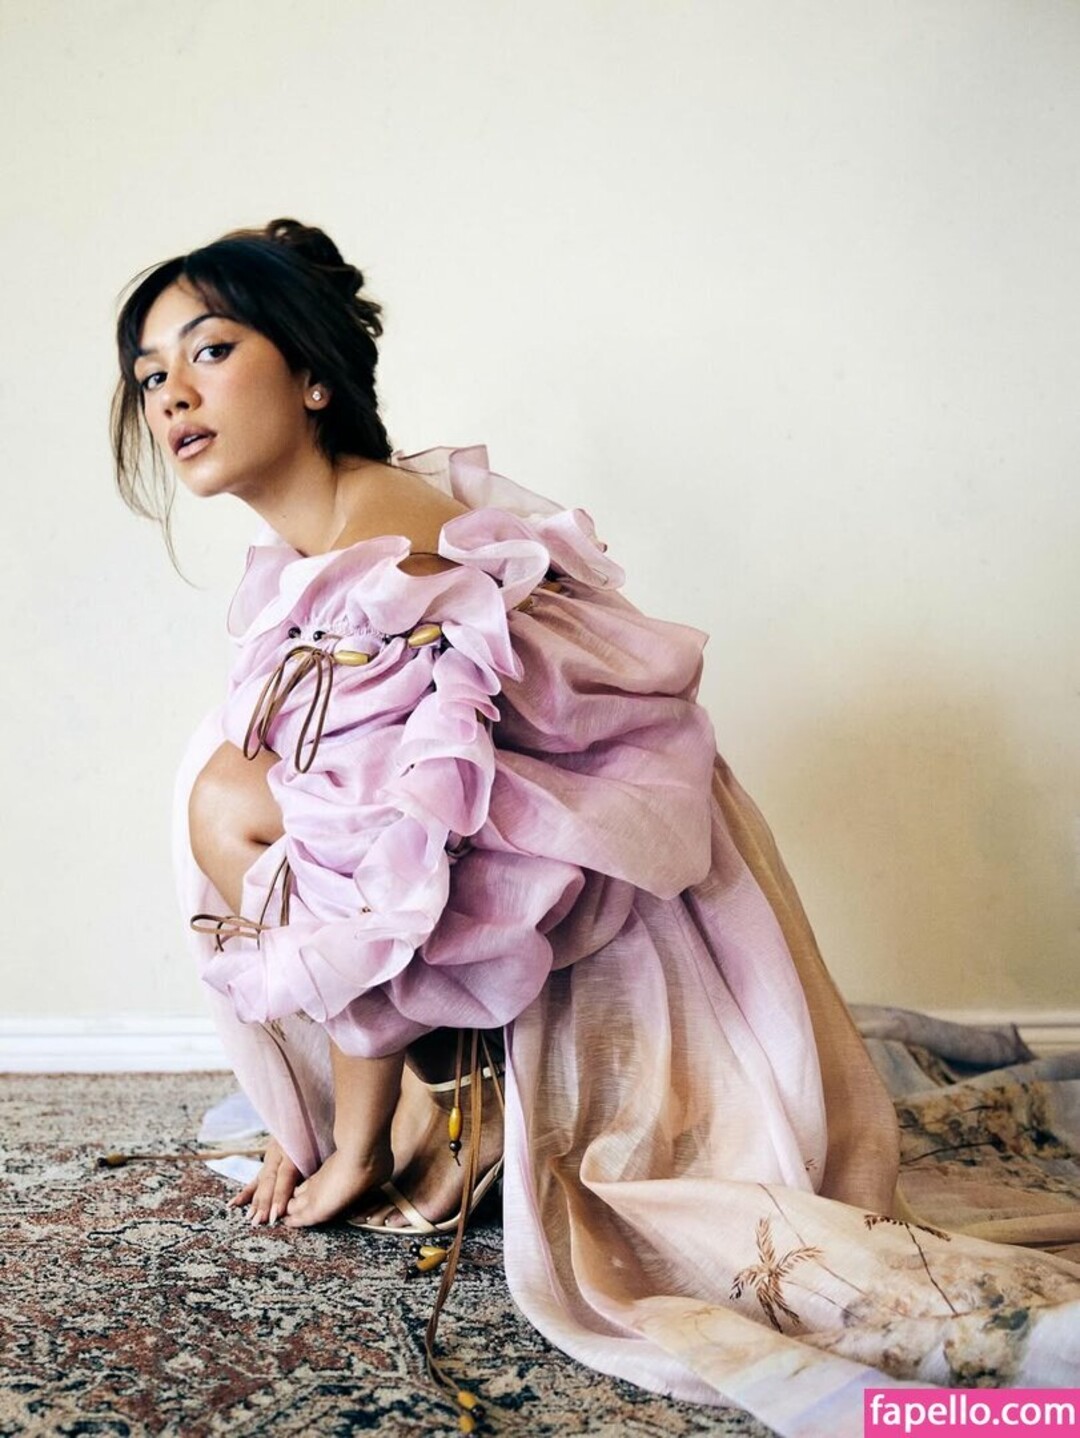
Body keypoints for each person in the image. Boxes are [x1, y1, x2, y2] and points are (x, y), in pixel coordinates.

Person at [113, 220, 1080, 1438]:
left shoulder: (380, 538)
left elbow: (368, 876)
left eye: (210, 350)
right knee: (230, 778)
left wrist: (342, 1149)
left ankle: (416, 1117)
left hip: (598, 905)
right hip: (537, 858)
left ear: (310, 374)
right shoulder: (325, 535)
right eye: (150, 373)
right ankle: (424, 1106)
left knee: (227, 798)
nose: (173, 394)